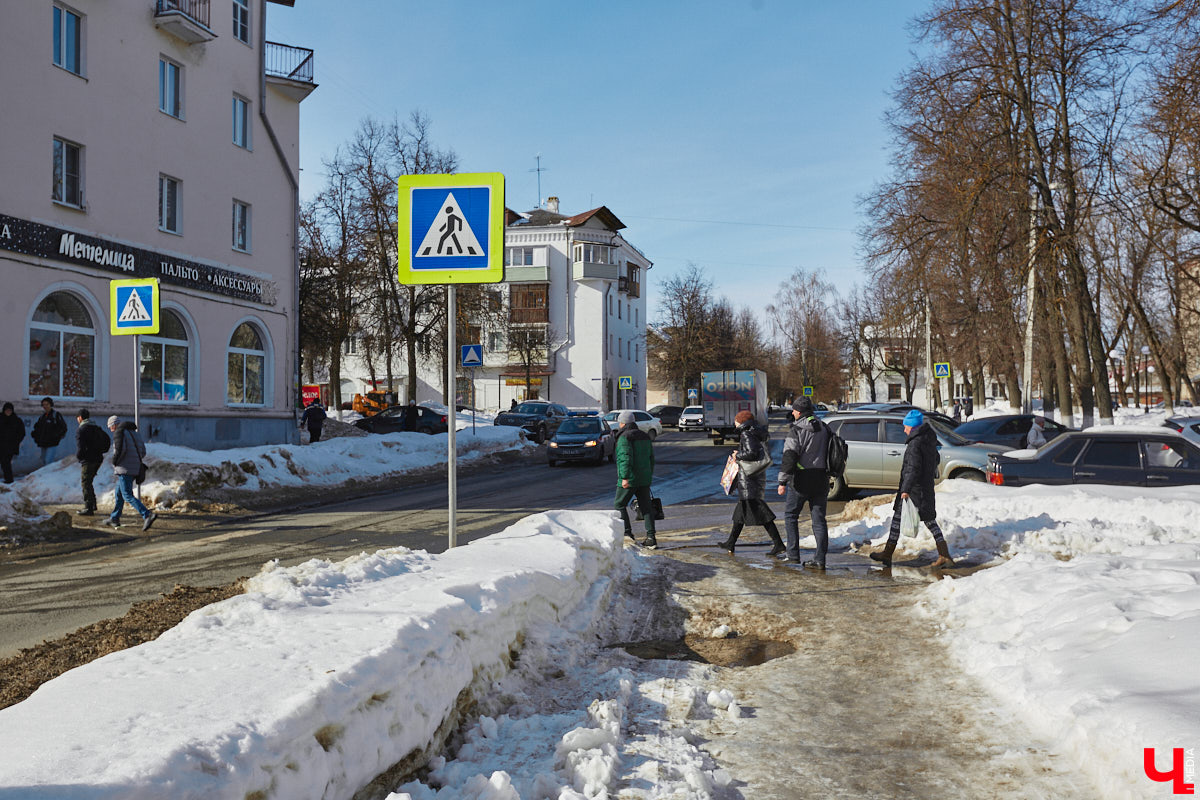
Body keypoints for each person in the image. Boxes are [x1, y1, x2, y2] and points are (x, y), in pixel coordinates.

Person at [870, 409, 954, 568]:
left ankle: (944, 555)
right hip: (924, 488)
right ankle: (888, 554)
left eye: (906, 426)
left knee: (927, 521)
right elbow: (935, 459)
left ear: (913, 427)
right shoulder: (928, 439)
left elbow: (913, 468)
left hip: (915, 491)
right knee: (908, 520)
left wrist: (905, 489)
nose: (904, 429)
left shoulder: (915, 443)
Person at [718, 410, 785, 556]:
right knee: (739, 515)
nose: (734, 423)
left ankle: (779, 544)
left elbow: (752, 453)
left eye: (736, 420)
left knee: (762, 513)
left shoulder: (746, 433)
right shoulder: (754, 432)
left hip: (749, 480)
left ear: (741, 421)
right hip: (753, 478)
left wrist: (738, 455)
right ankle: (731, 542)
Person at [776, 397, 831, 568]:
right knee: (819, 520)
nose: (792, 412)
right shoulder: (824, 427)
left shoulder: (797, 429)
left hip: (801, 479)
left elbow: (789, 456)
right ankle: (820, 559)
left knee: (791, 515)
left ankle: (792, 554)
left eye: (793, 410)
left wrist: (782, 481)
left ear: (799, 412)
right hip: (821, 479)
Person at [614, 410, 656, 548]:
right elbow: (651, 458)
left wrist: (624, 477)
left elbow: (625, 458)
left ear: (623, 423)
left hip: (630, 478)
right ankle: (651, 538)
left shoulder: (624, 437)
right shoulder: (644, 436)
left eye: (620, 422)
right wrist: (648, 475)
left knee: (619, 505)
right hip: (644, 478)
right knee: (646, 508)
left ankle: (627, 534)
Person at [106, 415, 157, 532]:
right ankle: (114, 518)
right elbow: (143, 451)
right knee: (119, 493)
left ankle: (147, 515)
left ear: (114, 425)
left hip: (124, 468)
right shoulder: (135, 433)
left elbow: (120, 450)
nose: (110, 429)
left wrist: (114, 461)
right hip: (135, 467)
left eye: (110, 427)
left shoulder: (119, 433)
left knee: (127, 495)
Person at [74, 408, 110, 516]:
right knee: (89, 481)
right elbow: (107, 441)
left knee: (85, 483)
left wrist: (79, 457)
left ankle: (88, 507)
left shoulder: (82, 429)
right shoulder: (97, 428)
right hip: (98, 458)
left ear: (80, 418)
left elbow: (81, 446)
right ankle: (93, 504)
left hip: (88, 460)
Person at [31, 397, 67, 466]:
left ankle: (51, 476)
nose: (45, 406)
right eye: (44, 405)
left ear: (51, 405)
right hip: (43, 443)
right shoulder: (42, 416)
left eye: (47, 404)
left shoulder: (56, 415)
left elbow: (63, 428)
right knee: (44, 461)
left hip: (52, 443)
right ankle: (46, 476)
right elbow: (37, 428)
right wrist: (35, 435)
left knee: (48, 461)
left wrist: (56, 436)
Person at [0, 402, 25, 484]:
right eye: (6, 410)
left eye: (10, 410)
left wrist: (16, 441)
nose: (8, 412)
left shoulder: (16, 420)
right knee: (4, 462)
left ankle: (9, 479)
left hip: (10, 446)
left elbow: (22, 433)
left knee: (6, 462)